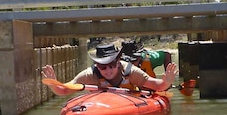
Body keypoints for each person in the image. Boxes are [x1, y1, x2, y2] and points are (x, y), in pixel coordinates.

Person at [41, 42, 178, 96]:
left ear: (118, 62)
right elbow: (64, 90)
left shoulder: (130, 71)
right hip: (101, 104)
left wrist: (167, 82)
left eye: (111, 65)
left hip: (130, 99)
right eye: (103, 66)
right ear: (97, 65)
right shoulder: (90, 75)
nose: (108, 70)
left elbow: (157, 86)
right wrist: (54, 83)